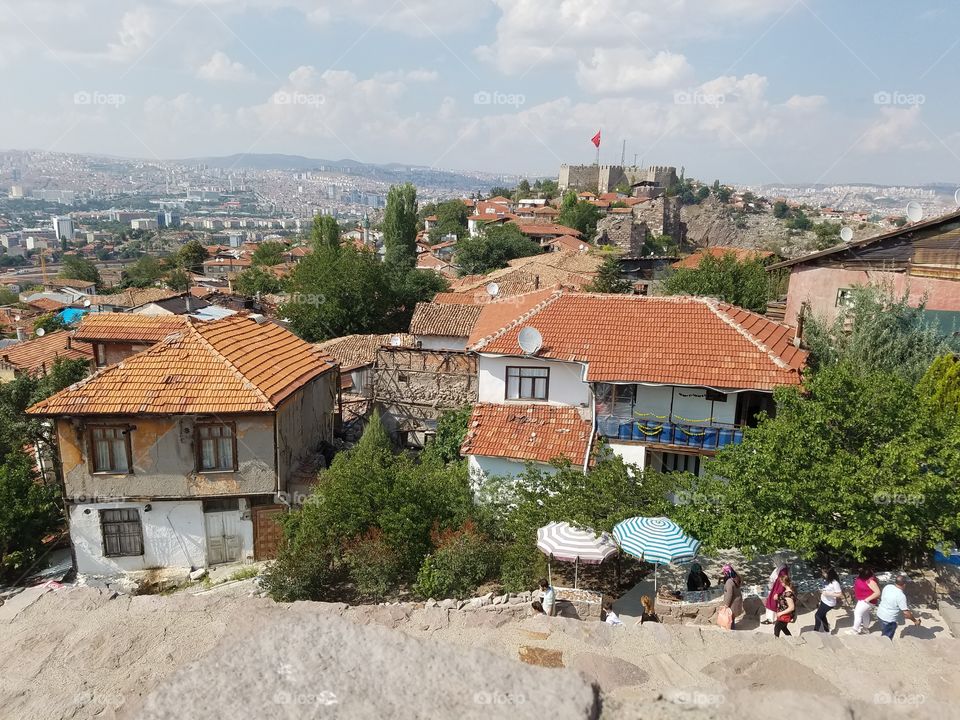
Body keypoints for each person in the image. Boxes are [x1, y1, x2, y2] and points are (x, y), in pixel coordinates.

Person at [876, 574, 921, 640]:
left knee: (884, 631)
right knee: (887, 639)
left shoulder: (888, 586)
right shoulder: (901, 596)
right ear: (904, 584)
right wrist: (915, 621)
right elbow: (906, 613)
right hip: (889, 620)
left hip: (880, 614)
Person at [851, 567, 881, 635]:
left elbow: (878, 593)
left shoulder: (870, 581)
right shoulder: (861, 577)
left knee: (857, 613)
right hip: (862, 599)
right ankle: (865, 629)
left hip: (867, 601)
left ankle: (854, 630)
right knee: (865, 613)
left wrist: (867, 599)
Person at [813, 567, 844, 633]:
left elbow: (839, 594)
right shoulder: (826, 580)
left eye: (824, 573)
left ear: (829, 574)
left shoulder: (835, 583)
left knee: (817, 616)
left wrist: (828, 593)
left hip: (829, 603)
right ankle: (826, 631)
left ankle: (815, 632)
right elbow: (826, 589)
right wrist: (822, 591)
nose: (823, 574)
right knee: (822, 615)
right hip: (823, 600)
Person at [720, 564, 743, 630]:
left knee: (730, 620)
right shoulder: (736, 578)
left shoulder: (729, 582)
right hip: (737, 601)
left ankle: (732, 631)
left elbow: (729, 594)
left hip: (732, 603)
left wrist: (726, 605)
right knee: (732, 618)